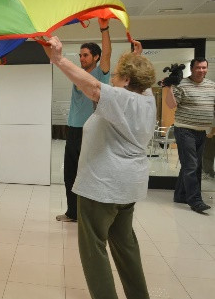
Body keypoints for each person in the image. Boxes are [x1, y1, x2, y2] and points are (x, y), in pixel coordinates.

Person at [42, 36, 156, 299]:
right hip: (128, 189)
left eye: (116, 75)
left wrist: (58, 59)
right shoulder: (147, 99)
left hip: (102, 188)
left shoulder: (121, 99)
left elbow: (92, 87)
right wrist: (136, 57)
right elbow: (136, 82)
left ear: (127, 80)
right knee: (126, 245)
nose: (112, 78)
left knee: (94, 250)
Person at [56, 18, 111, 222]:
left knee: (89, 174)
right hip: (73, 129)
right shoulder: (78, 74)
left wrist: (104, 28)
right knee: (70, 173)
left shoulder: (100, 74)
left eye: (86, 55)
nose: (82, 58)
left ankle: (90, 215)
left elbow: (107, 53)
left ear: (95, 57)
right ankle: (72, 212)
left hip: (91, 130)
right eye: (80, 55)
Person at [165, 58, 215, 214]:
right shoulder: (182, 85)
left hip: (202, 131)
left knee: (191, 165)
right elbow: (171, 105)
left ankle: (180, 195)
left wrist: (212, 128)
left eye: (204, 67)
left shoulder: (212, 86)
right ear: (192, 69)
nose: (201, 70)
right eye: (198, 67)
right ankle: (195, 200)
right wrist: (170, 87)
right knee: (192, 165)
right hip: (184, 130)